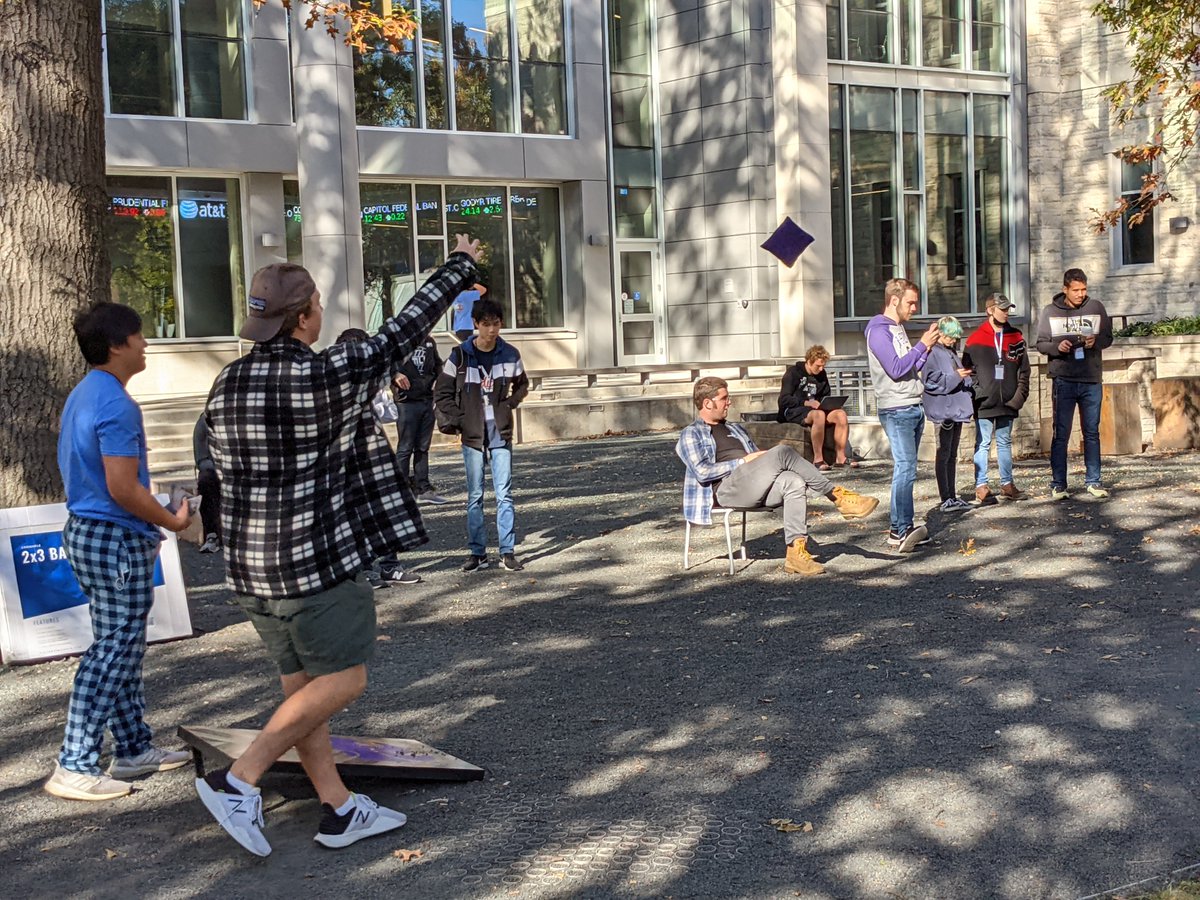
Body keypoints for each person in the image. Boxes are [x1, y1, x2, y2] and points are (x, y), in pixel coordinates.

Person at [199, 235, 480, 857]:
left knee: (303, 696)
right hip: (316, 561)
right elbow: (408, 325)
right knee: (345, 679)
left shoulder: (226, 382)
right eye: (318, 305)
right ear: (303, 318)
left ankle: (340, 807)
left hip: (250, 571)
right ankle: (238, 779)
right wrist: (458, 264)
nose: (322, 313)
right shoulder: (330, 373)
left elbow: (214, 469)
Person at [45, 302, 193, 802]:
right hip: (115, 538)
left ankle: (132, 748)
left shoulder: (88, 394)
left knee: (121, 643)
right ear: (116, 345)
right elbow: (123, 487)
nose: (147, 342)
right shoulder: (115, 404)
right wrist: (172, 520)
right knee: (112, 651)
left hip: (89, 532)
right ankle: (75, 762)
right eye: (139, 335)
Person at [676, 377, 879, 575]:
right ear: (707, 403)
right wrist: (742, 462)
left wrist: (758, 460)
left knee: (794, 481)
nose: (729, 402)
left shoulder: (735, 428)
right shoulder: (691, 433)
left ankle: (795, 553)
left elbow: (757, 461)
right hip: (725, 489)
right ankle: (837, 496)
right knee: (782, 451)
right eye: (724, 398)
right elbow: (702, 472)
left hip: (750, 484)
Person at [434, 297, 530, 573]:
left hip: (500, 431)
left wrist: (510, 404)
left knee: (505, 494)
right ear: (475, 324)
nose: (491, 330)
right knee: (475, 495)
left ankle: (507, 552)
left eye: (496, 324)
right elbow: (441, 391)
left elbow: (523, 384)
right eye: (486, 324)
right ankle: (477, 553)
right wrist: (461, 419)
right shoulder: (460, 355)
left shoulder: (510, 354)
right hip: (473, 434)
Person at [334, 327, 421, 588]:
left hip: (374, 455)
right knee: (354, 514)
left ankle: (390, 566)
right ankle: (363, 568)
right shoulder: (334, 383)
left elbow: (389, 414)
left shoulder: (372, 382)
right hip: (346, 458)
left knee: (384, 511)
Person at [865, 278, 940, 552]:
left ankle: (902, 526)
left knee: (908, 468)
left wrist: (926, 348)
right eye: (910, 302)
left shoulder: (897, 329)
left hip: (911, 404)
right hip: (897, 409)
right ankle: (899, 530)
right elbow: (895, 369)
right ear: (894, 300)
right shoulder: (878, 330)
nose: (915, 308)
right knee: (905, 468)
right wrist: (921, 345)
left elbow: (910, 368)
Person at [1035, 268, 1113, 500]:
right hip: (1064, 380)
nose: (1080, 294)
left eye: (1084, 289)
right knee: (1062, 433)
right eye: (1076, 290)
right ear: (1065, 289)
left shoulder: (1096, 308)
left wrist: (1095, 341)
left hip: (1090, 380)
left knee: (1091, 432)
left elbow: (1108, 338)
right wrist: (1056, 348)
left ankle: (1094, 481)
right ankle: (1059, 484)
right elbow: (1040, 344)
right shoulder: (1050, 312)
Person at [963, 293, 1030, 502]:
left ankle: (1007, 484)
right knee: (982, 443)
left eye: (1008, 308)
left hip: (1008, 402)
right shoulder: (975, 339)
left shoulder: (1016, 337)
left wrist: (1018, 397)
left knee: (1004, 441)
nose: (1006, 312)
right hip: (984, 402)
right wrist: (977, 394)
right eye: (1002, 309)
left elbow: (1024, 371)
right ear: (990, 310)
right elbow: (967, 371)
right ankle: (981, 486)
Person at [922, 316, 975, 512]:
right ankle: (945, 497)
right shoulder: (932, 353)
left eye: (955, 337)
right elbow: (930, 381)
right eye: (951, 336)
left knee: (952, 454)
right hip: (944, 411)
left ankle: (952, 496)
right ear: (941, 334)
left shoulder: (950, 352)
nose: (954, 340)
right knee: (943, 453)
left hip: (955, 409)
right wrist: (956, 376)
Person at [777, 345, 855, 470]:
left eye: (823, 366)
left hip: (817, 408)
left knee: (840, 414)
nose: (821, 369)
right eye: (818, 366)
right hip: (794, 410)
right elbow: (784, 399)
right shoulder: (793, 373)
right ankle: (818, 459)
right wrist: (806, 403)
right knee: (819, 415)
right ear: (809, 361)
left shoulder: (821, 374)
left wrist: (829, 404)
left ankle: (841, 457)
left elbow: (825, 395)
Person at [393, 330, 446, 505]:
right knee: (405, 447)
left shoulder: (429, 342)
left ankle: (423, 488)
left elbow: (438, 365)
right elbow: (383, 365)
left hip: (426, 399)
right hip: (406, 401)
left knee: (422, 447)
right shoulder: (398, 342)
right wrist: (395, 375)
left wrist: (439, 379)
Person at [193, 414, 222, 553]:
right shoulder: (204, 422)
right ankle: (212, 534)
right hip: (214, 468)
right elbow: (201, 458)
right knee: (206, 480)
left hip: (239, 469)